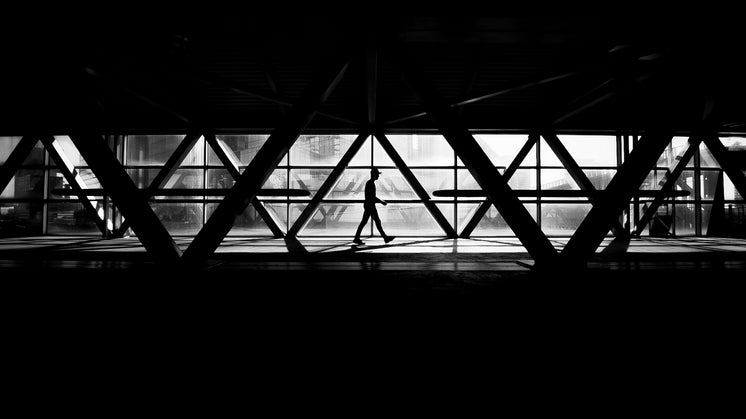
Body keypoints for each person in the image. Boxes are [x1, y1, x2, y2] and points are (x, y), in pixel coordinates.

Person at [353, 168, 395, 245]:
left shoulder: (369, 183)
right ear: (373, 174)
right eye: (377, 174)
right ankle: (385, 238)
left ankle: (357, 238)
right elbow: (372, 197)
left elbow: (371, 197)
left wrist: (380, 201)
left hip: (369, 205)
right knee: (375, 222)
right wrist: (382, 202)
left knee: (366, 222)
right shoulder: (371, 184)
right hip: (370, 206)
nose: (378, 176)